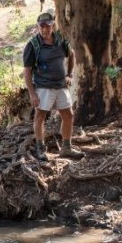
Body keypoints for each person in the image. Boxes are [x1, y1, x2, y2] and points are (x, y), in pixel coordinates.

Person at [23, 11, 83, 161]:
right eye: (41, 27)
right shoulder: (33, 45)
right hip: (43, 87)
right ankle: (40, 148)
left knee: (68, 115)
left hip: (61, 85)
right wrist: (32, 94)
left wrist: (69, 74)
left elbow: (72, 55)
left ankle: (66, 147)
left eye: (47, 26)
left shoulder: (60, 40)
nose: (45, 30)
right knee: (40, 116)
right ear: (38, 27)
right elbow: (27, 72)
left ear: (52, 26)